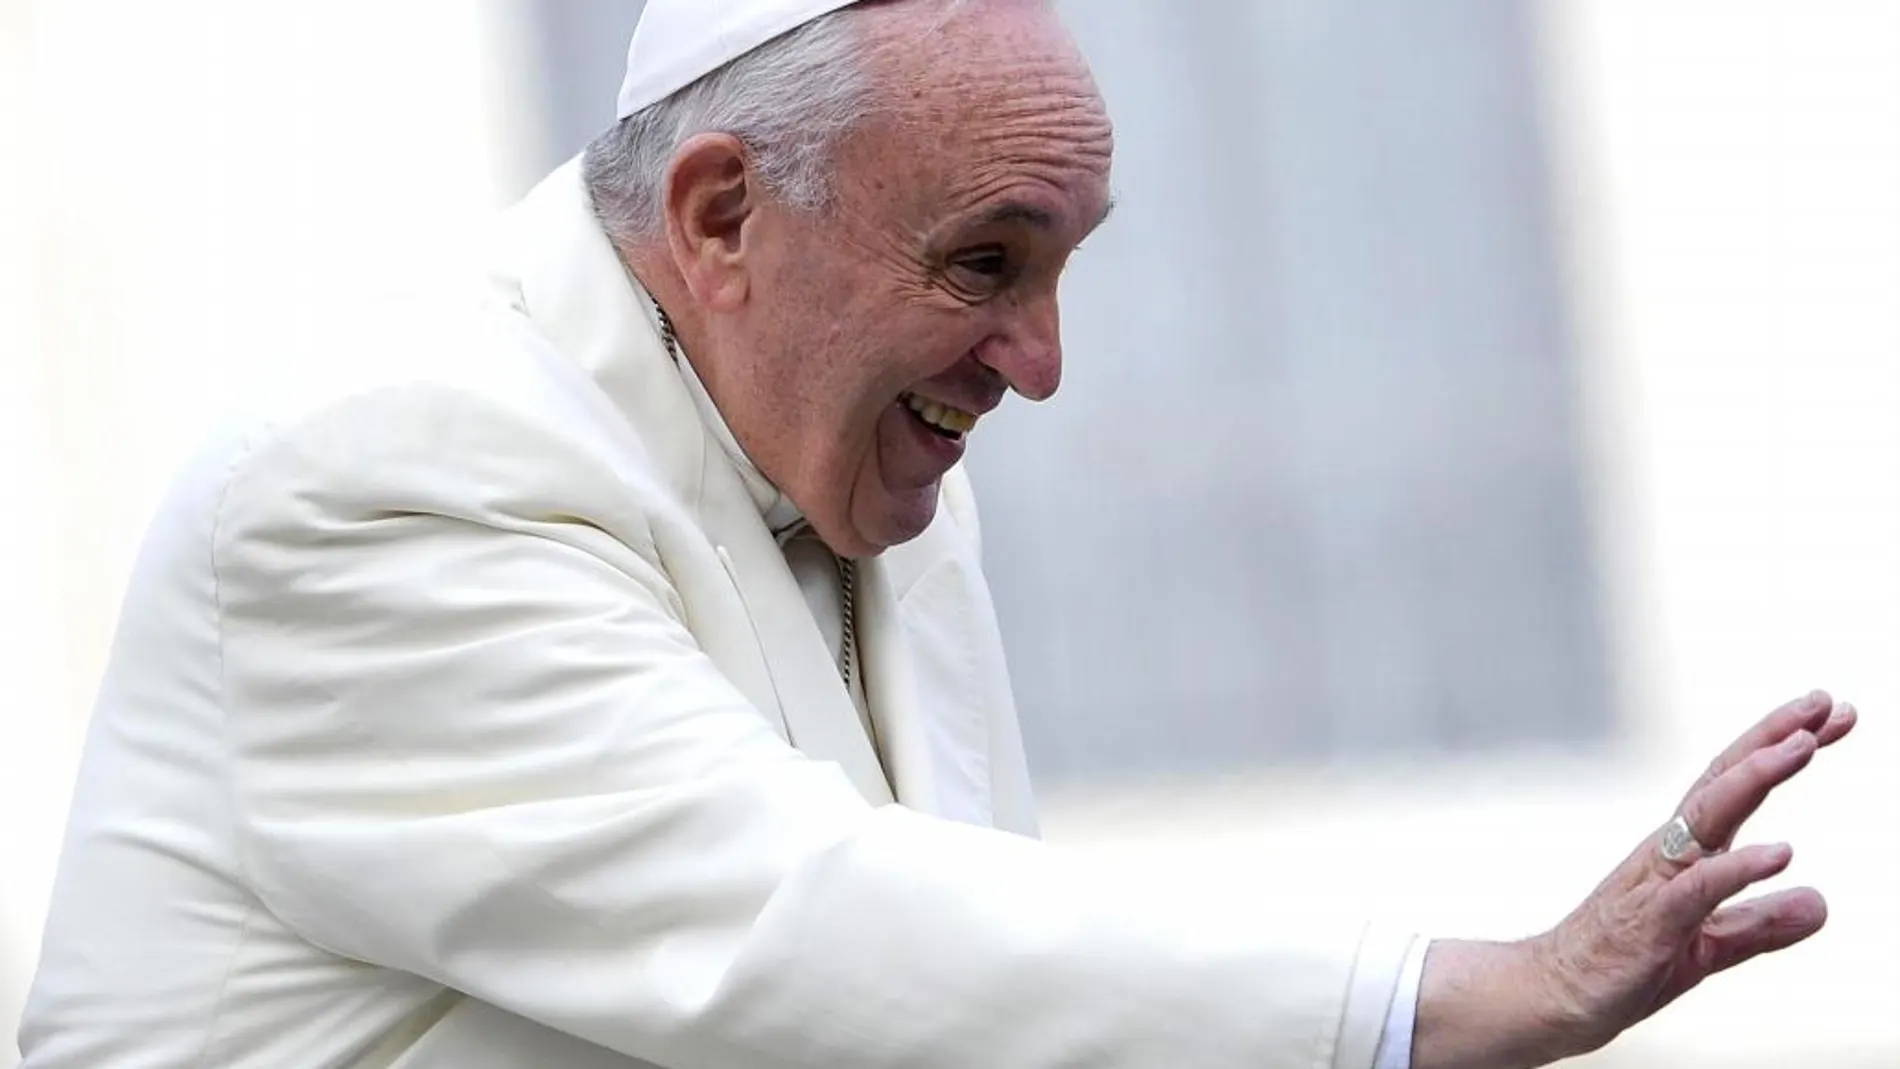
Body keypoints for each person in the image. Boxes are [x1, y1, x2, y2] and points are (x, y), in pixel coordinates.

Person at [16, 1, 1860, 1066]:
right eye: (985, 263)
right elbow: (806, 929)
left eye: (1063, 274)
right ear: (724, 213)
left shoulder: (872, 479)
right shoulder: (378, 475)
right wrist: (1448, 996)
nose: (1040, 367)